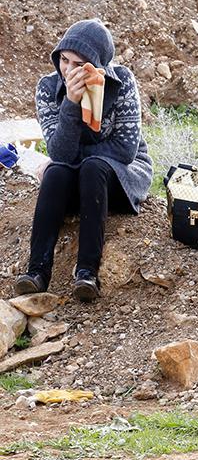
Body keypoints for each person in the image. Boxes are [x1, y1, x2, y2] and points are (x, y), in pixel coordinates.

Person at [13, 19, 153, 301]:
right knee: (56, 172)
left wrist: (74, 159)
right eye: (65, 60)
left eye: (80, 65)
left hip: (121, 175)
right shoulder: (48, 87)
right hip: (77, 177)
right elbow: (60, 153)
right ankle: (37, 271)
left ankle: (87, 273)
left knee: (91, 167)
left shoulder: (122, 81)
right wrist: (71, 104)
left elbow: (125, 150)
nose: (69, 70)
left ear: (98, 66)